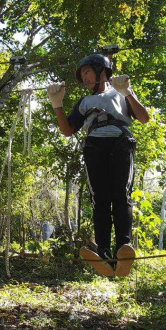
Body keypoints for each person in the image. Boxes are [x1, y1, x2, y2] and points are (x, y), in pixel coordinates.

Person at [47, 54, 149, 277]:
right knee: (99, 199)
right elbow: (67, 130)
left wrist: (128, 92)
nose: (83, 78)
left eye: (86, 72)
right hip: (94, 145)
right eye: (81, 74)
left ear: (101, 70)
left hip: (121, 141)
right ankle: (103, 251)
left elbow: (143, 118)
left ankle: (123, 247)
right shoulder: (85, 102)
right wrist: (57, 104)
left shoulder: (121, 93)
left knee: (121, 194)